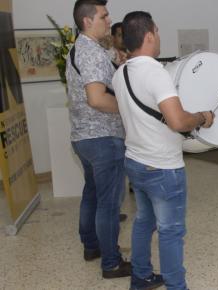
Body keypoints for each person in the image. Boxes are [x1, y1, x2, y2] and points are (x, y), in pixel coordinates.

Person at [113, 11, 214, 290]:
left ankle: (141, 276)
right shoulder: (155, 72)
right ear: (148, 36)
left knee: (144, 221)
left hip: (135, 161)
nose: (159, 37)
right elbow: (178, 121)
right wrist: (203, 117)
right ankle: (176, 286)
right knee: (171, 232)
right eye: (157, 32)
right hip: (163, 167)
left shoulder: (120, 73)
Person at [67, 0, 130, 279]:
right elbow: (97, 98)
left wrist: (118, 62)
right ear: (87, 22)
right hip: (102, 138)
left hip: (83, 138)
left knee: (92, 193)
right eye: (104, 16)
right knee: (108, 203)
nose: (109, 20)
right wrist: (130, 109)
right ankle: (112, 263)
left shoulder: (83, 48)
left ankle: (91, 245)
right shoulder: (90, 52)